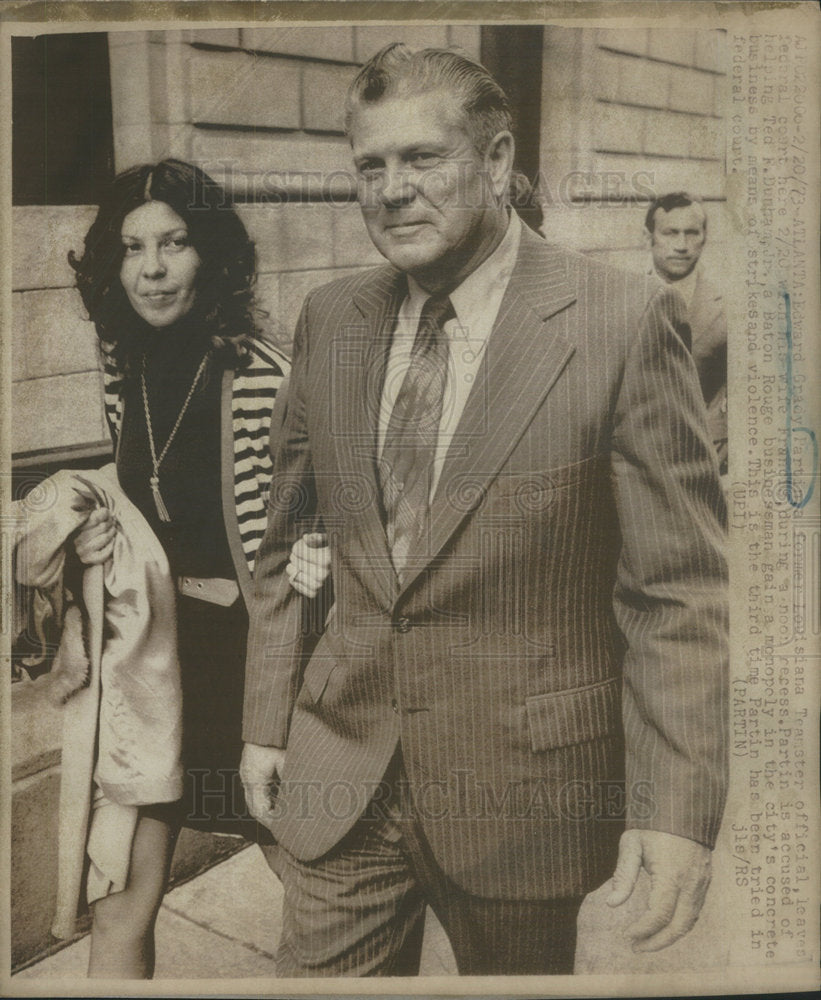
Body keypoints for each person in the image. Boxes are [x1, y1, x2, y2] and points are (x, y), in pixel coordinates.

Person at [241, 45, 729, 976]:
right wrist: (268, 718)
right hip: (347, 776)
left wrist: (673, 809)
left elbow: (677, 594)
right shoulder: (330, 318)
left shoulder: (617, 324)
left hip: (523, 796)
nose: (391, 191)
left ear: (499, 163)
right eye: (370, 166)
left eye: (422, 160)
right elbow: (282, 539)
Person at [67, 159, 312, 978]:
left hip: (251, 667)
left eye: (173, 242)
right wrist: (103, 536)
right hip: (156, 665)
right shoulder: (122, 370)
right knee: (119, 900)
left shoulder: (260, 378)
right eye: (133, 247)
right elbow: (146, 499)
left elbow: (309, 540)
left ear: (208, 253)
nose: (153, 268)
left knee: (318, 900)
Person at [645, 191, 728, 476]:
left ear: (704, 237)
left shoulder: (729, 304)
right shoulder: (623, 298)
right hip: (639, 459)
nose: (681, 245)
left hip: (708, 460)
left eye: (692, 233)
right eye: (670, 233)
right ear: (649, 237)